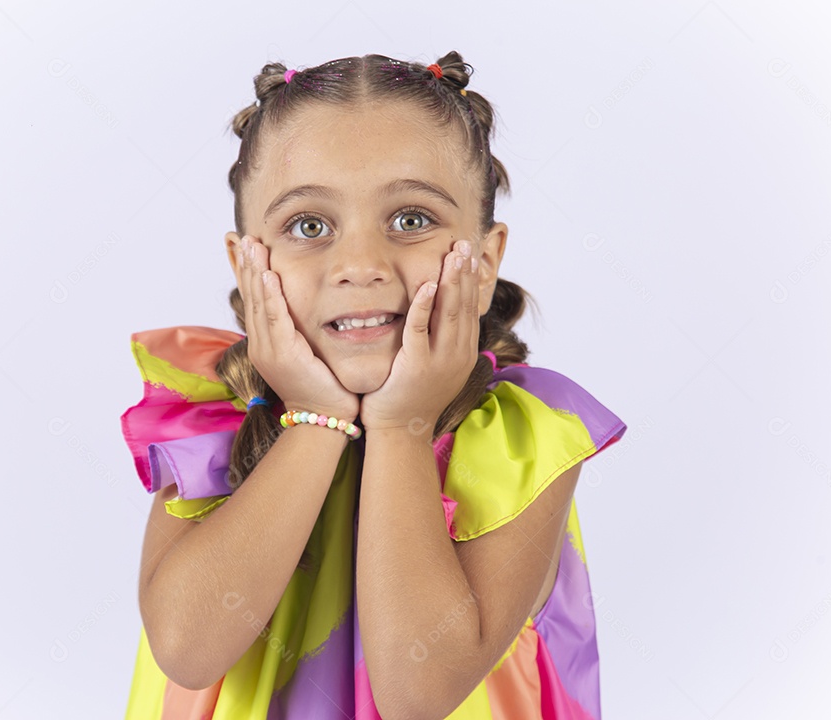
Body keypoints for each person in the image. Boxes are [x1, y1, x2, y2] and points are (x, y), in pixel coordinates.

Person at [120, 51, 627, 720]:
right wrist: (316, 417)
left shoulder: (524, 437)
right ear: (246, 266)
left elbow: (418, 692)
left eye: (411, 220)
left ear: (484, 263)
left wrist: (400, 428)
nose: (360, 265)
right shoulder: (216, 411)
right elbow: (187, 649)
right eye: (309, 226)